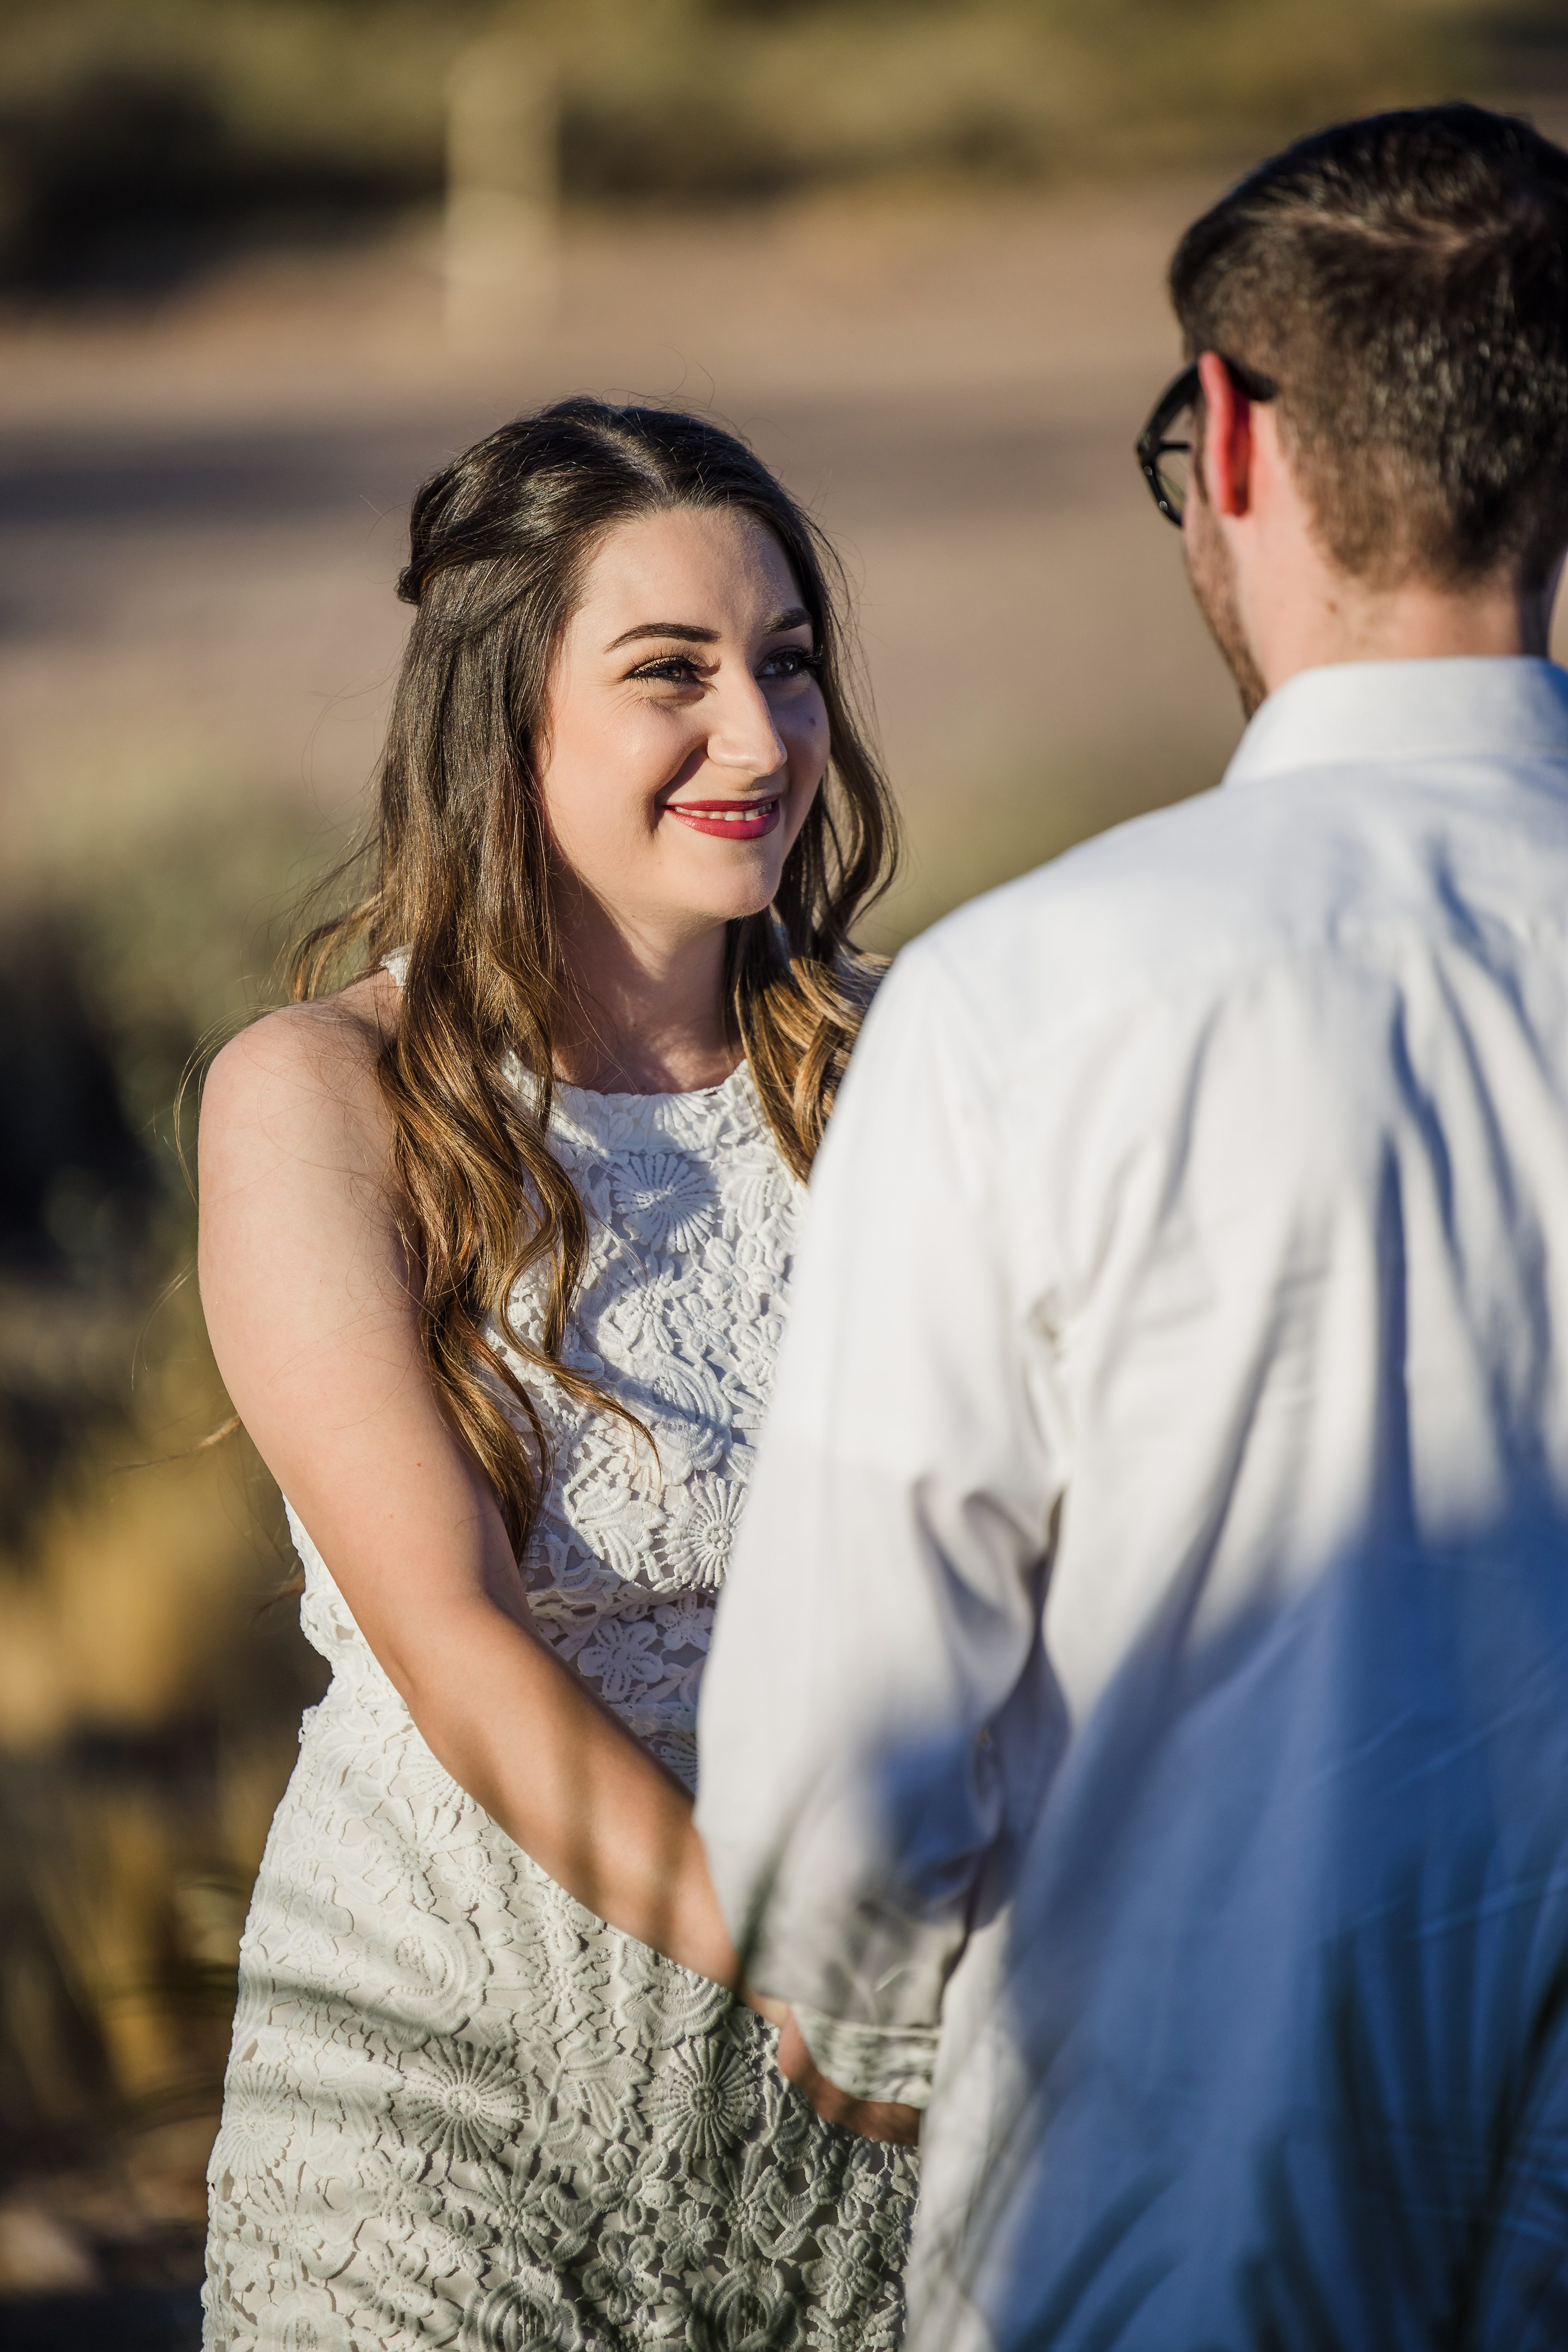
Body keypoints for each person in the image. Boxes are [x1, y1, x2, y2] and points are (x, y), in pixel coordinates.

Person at [697, 103, 1568, 2348]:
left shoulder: (1029, 1003)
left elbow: (838, 1784)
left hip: (1180, 2229)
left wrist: (877, 2021)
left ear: (1239, 444)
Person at [195, 399, 918, 2351]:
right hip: (446, 2059)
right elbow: (451, 1629)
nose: (759, 739)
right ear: (497, 721)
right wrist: (792, 1968)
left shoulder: (921, 1068)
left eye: (786, 664)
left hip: (870, 2090)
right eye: (670, 674)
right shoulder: (322, 1101)